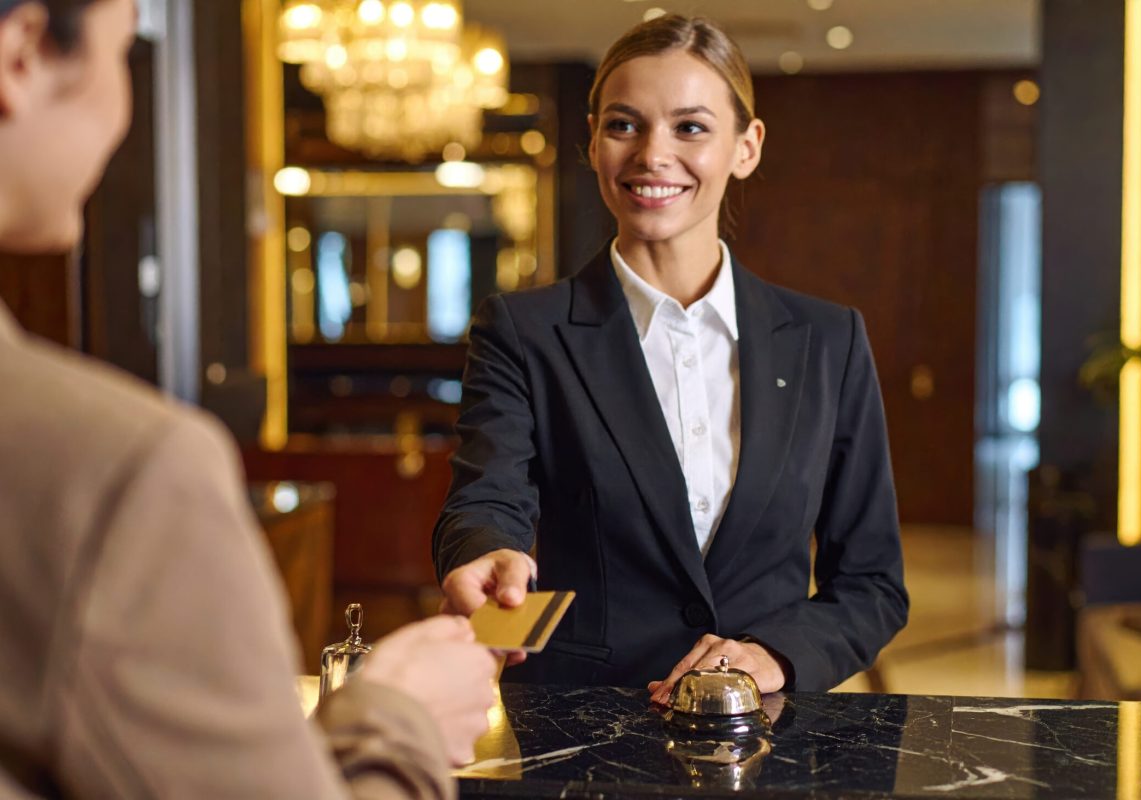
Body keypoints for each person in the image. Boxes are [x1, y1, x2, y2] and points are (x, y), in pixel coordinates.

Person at [0, 1, 495, 796]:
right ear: (22, 55)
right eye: (123, 52)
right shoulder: (121, 470)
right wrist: (401, 721)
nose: (123, 105)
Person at [435, 14, 908, 700]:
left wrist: (773, 657)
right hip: (577, 723)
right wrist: (485, 553)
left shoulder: (828, 341)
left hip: (762, 733)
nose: (652, 154)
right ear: (592, 141)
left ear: (746, 147)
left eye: (690, 127)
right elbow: (487, 497)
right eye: (624, 125)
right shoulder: (523, 330)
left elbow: (871, 584)